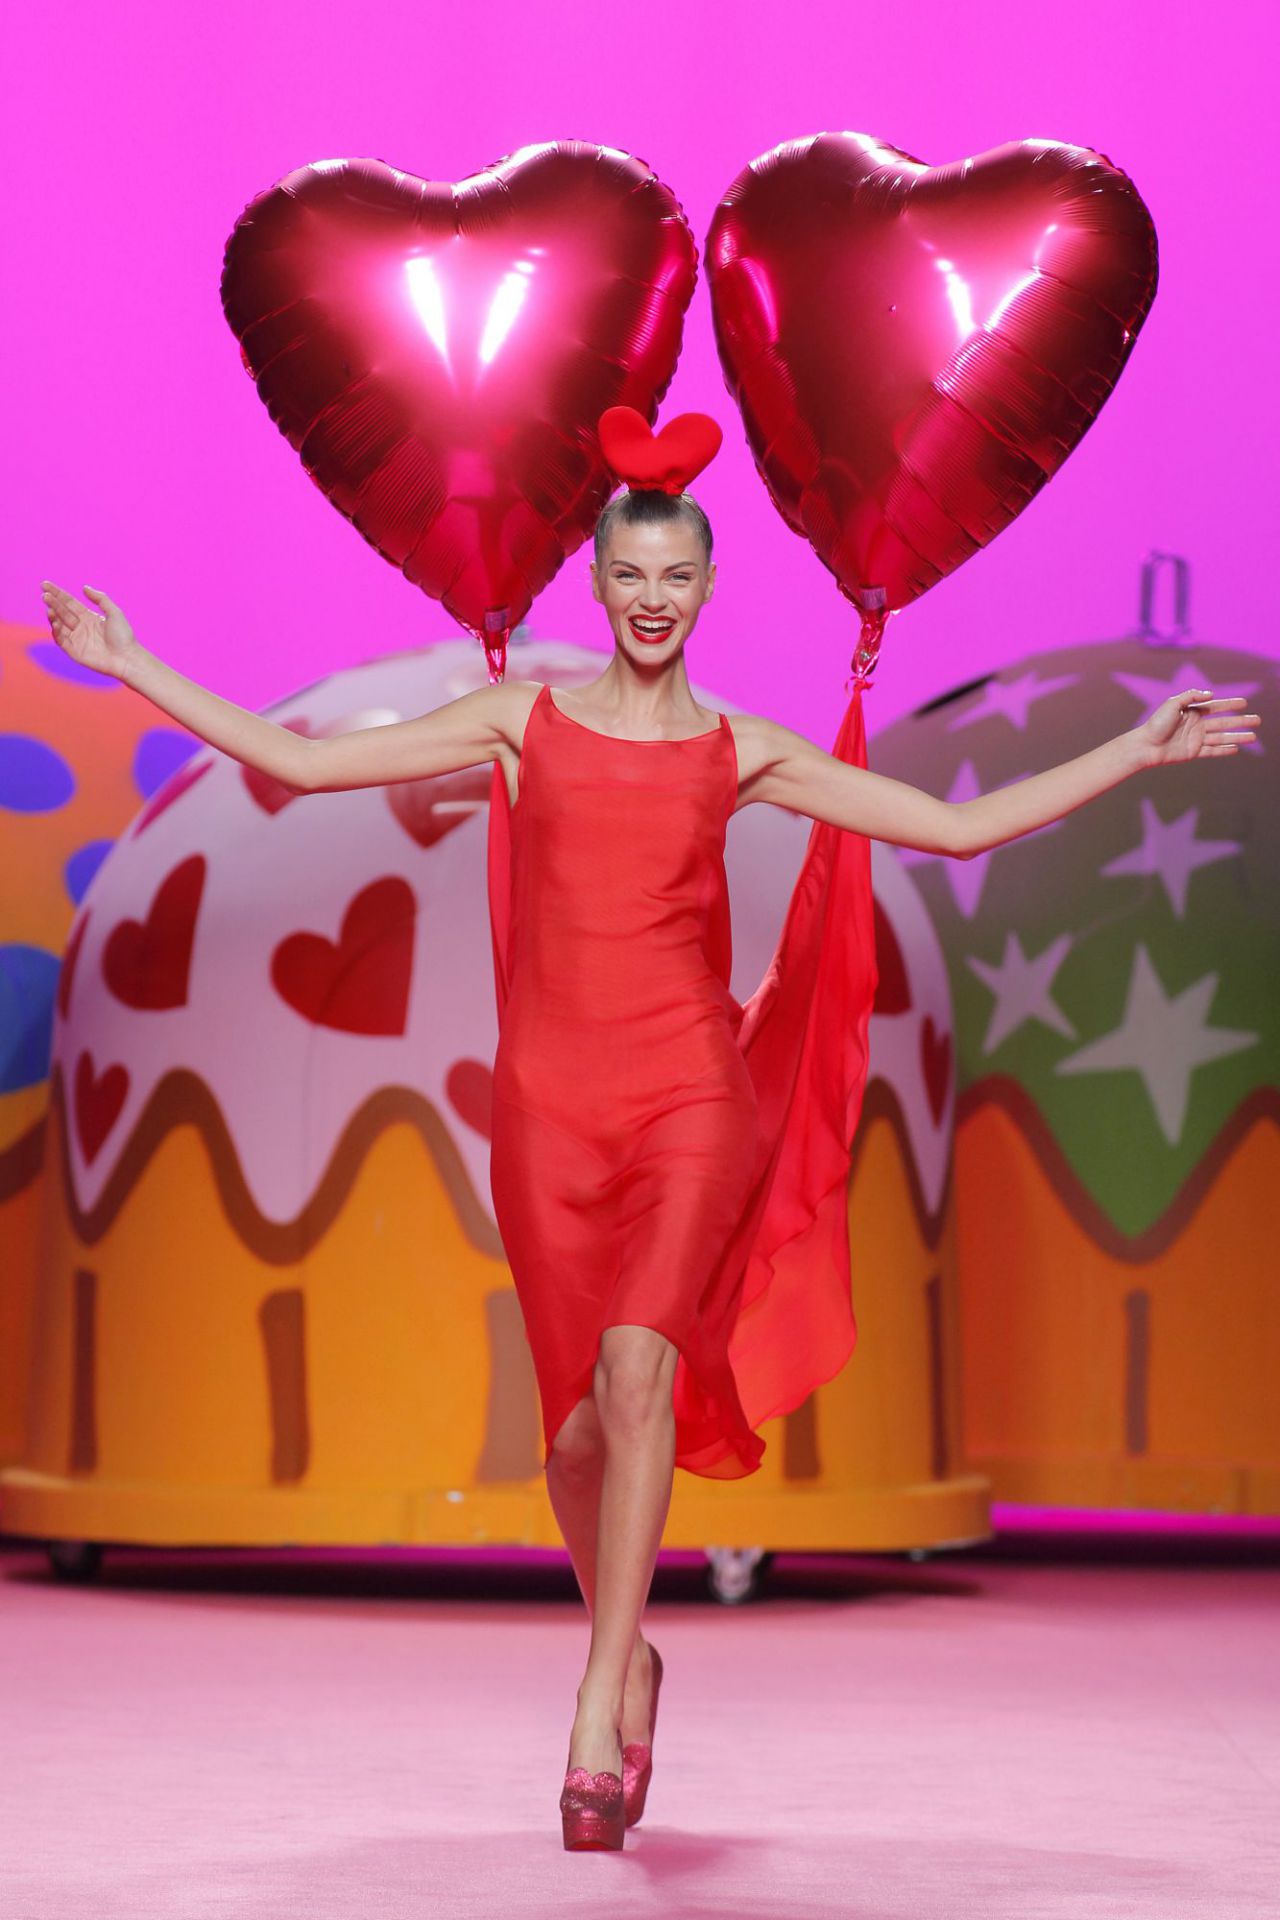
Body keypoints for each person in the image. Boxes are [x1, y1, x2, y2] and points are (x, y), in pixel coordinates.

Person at [38, 410, 1259, 1852]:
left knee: (638, 1378)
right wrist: (133, 667)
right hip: (547, 1117)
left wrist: (1136, 748)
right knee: (569, 1446)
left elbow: (948, 828)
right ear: (602, 589)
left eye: (678, 576)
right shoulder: (523, 724)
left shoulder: (745, 749)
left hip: (692, 1099)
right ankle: (636, 1655)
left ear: (705, 590)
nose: (655, 598)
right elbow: (300, 768)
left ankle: (600, 1696)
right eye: (633, 576)